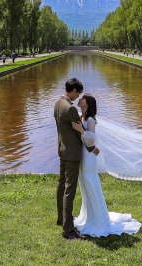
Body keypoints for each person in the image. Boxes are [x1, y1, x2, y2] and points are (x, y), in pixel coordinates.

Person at [71, 95, 141, 237]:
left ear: (88, 104)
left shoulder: (90, 120)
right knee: (84, 183)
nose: (80, 99)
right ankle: (88, 216)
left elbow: (92, 140)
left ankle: (98, 220)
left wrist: (81, 131)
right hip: (84, 155)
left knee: (90, 181)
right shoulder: (81, 117)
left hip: (89, 158)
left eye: (83, 98)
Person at [54, 77, 85, 240]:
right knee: (69, 189)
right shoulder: (71, 109)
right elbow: (79, 131)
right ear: (73, 90)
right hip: (72, 152)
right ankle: (68, 230)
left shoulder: (58, 104)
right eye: (77, 93)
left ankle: (61, 218)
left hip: (62, 148)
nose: (77, 96)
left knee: (61, 184)